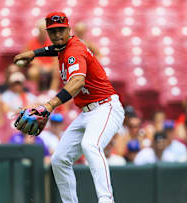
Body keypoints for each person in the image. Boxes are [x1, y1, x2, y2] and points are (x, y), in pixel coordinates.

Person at [13, 12, 125, 203]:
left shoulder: (75, 50)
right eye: (53, 31)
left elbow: (78, 81)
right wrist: (34, 53)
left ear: (69, 30)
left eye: (60, 30)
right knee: (59, 159)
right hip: (87, 111)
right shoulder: (65, 46)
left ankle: (106, 199)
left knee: (90, 145)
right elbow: (56, 48)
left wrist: (49, 105)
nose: (57, 35)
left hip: (106, 107)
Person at [25, 19, 59, 91]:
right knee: (33, 72)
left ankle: (52, 92)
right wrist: (37, 64)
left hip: (50, 67)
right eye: (41, 31)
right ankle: (35, 91)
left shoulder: (52, 43)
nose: (43, 33)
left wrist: (50, 66)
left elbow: (56, 59)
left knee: (57, 71)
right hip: (38, 67)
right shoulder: (31, 43)